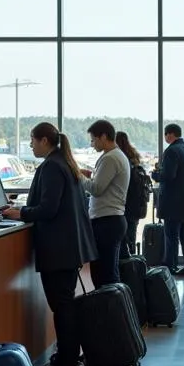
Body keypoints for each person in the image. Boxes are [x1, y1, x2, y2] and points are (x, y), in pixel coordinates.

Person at [1, 123, 97, 366]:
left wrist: (20, 212)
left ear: (45, 140)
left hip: (59, 249)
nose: (30, 145)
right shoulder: (63, 163)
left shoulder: (53, 166)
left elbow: (48, 208)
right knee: (64, 306)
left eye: (32, 140)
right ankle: (64, 361)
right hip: (69, 248)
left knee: (62, 308)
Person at [81, 119, 130, 287]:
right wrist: (89, 175)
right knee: (108, 272)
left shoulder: (110, 158)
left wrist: (78, 176)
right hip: (111, 220)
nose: (92, 144)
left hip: (107, 221)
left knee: (105, 275)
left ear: (103, 136)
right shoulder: (115, 156)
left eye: (93, 139)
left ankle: (111, 312)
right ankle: (113, 311)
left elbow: (96, 189)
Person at [152, 123, 184, 277]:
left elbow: (168, 175)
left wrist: (155, 175)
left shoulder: (172, 151)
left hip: (173, 202)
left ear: (170, 135)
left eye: (166, 135)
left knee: (171, 236)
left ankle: (169, 267)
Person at [116, 130, 150, 259]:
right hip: (136, 205)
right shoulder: (134, 158)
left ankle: (124, 265)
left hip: (125, 205)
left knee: (122, 239)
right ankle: (132, 266)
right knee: (131, 235)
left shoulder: (119, 159)